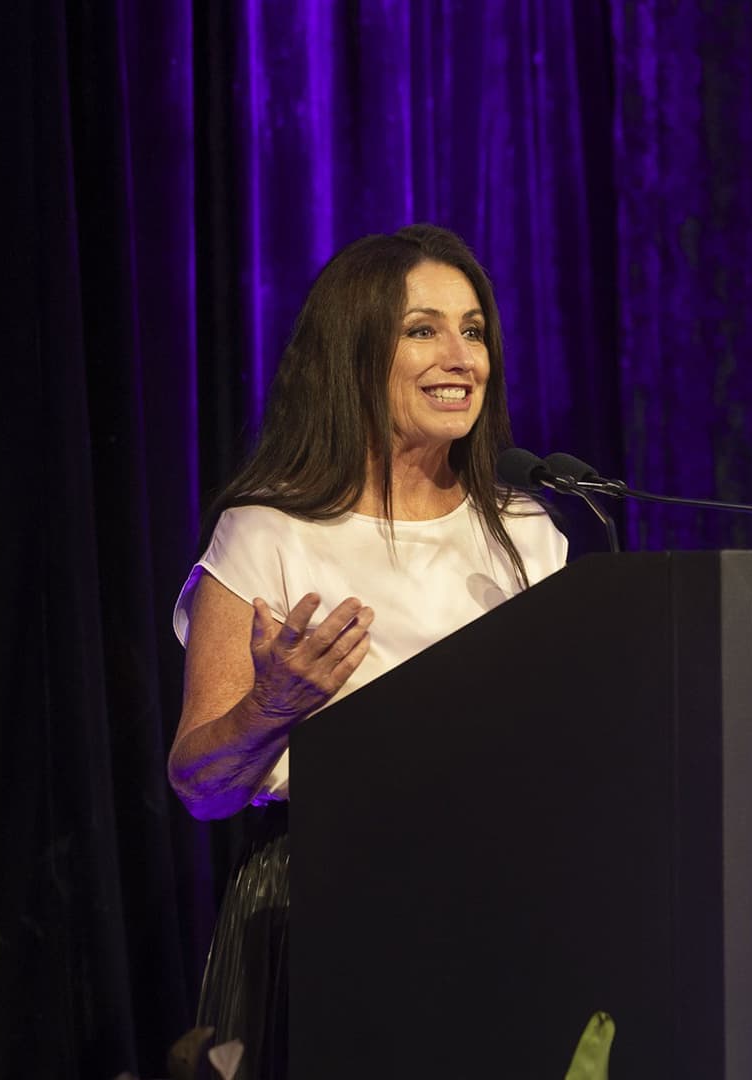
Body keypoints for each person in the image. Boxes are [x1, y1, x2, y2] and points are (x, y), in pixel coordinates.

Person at [166, 224, 568, 1076]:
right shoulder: (269, 532)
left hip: (501, 897)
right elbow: (199, 786)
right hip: (323, 904)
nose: (460, 356)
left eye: (474, 329)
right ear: (353, 353)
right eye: (421, 329)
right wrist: (270, 706)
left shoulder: (529, 532)